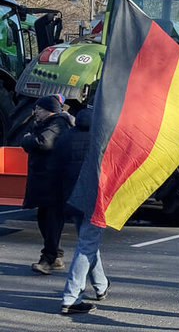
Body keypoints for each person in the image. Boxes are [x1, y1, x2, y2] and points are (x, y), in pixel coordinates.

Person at [55, 107, 110, 315]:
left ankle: (101, 286)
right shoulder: (102, 139)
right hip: (94, 200)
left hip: (72, 199)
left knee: (87, 243)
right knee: (87, 245)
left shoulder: (65, 137)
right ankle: (71, 298)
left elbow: (56, 166)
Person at [21, 94, 74, 274]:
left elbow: (43, 143)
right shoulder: (49, 124)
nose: (36, 111)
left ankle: (48, 259)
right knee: (45, 219)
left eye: (40, 109)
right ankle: (56, 255)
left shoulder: (58, 124)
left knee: (51, 220)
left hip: (53, 181)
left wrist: (27, 139)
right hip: (46, 180)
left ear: (50, 110)